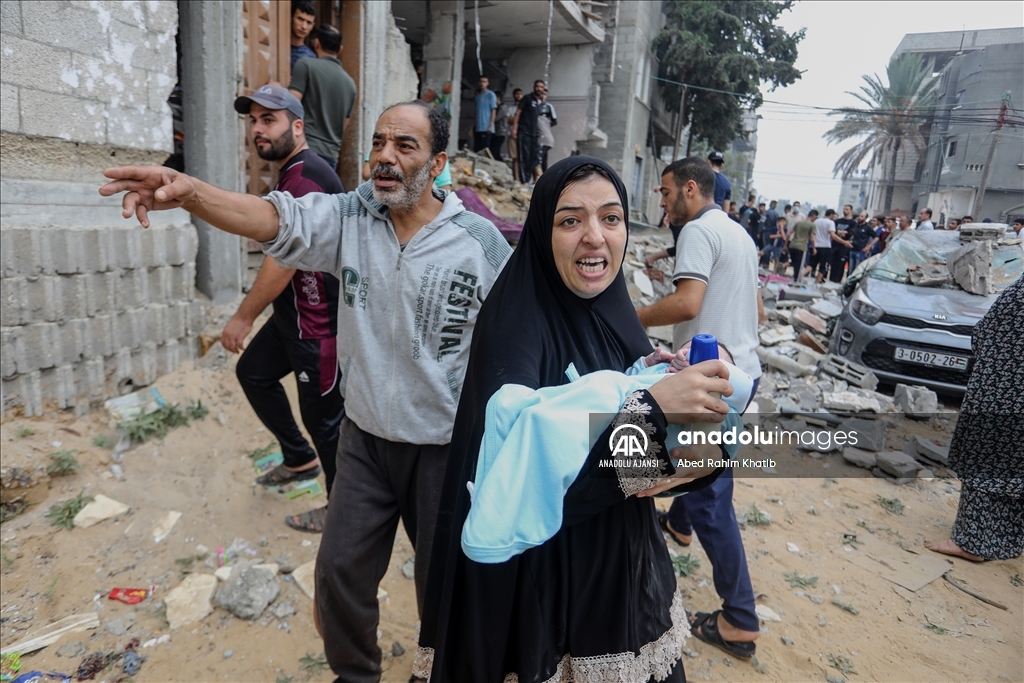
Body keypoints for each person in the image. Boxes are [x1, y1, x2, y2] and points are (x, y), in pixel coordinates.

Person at [99, 101, 511, 683]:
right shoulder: (350, 218)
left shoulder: (480, 243)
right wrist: (190, 191)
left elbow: (518, 339)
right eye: (378, 143)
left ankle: (437, 669)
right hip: (365, 439)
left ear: (438, 161)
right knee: (339, 573)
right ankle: (356, 676)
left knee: (444, 583)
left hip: (443, 447)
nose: (385, 157)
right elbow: (273, 219)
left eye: (405, 146)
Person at [416, 155, 738, 682]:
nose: (595, 237)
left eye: (611, 219)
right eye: (571, 221)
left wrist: (702, 445)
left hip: (625, 576)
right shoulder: (514, 330)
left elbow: (646, 468)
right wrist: (654, 411)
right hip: (551, 597)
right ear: (543, 231)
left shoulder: (612, 311)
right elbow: (532, 489)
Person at [636, 157, 763, 660]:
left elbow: (687, 305)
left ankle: (740, 619)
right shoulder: (738, 232)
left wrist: (627, 314)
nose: (662, 201)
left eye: (666, 192)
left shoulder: (696, 232)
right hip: (742, 371)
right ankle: (679, 526)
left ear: (691, 189)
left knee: (712, 497)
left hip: (713, 382)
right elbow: (754, 308)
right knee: (702, 476)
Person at [225, 85, 345, 532]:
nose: (257, 129)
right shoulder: (294, 171)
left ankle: (341, 511)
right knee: (253, 372)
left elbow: (283, 259)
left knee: (326, 423)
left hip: (319, 327)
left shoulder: (305, 175)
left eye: (268, 120)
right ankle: (298, 459)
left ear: (297, 126)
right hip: (292, 317)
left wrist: (242, 316)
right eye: (253, 120)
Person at [925, 276, 1023, 562]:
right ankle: (1006, 540)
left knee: (984, 459)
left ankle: (972, 543)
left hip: (1004, 389)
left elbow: (986, 334)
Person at [288, 24, 357, 171]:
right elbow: (344, 126)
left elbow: (290, 105)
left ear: (316, 43)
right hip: (331, 158)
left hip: (305, 150)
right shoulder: (350, 84)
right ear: (340, 50)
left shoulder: (305, 65)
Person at [512, 80, 545, 184]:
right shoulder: (527, 98)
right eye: (537, 86)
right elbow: (518, 113)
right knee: (523, 157)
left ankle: (528, 179)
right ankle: (523, 181)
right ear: (534, 87)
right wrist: (514, 128)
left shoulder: (539, 103)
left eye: (541, 87)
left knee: (532, 158)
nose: (539, 89)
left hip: (533, 134)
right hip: (524, 132)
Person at [830, 204, 856, 283]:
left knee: (840, 264)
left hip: (844, 246)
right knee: (832, 263)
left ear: (851, 211)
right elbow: (832, 232)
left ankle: (837, 280)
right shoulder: (837, 221)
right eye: (844, 209)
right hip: (834, 244)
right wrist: (840, 233)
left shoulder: (853, 222)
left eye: (847, 209)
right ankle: (831, 279)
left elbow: (850, 233)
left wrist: (838, 233)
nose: (845, 211)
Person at [810, 209, 836, 283]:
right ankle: (816, 282)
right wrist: (844, 242)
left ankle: (800, 276)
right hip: (825, 246)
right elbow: (833, 235)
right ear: (831, 215)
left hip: (816, 245)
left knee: (811, 265)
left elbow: (812, 235)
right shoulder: (831, 223)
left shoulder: (816, 221)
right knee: (823, 267)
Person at [788, 210, 816, 281]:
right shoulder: (812, 225)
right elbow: (812, 239)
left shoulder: (799, 223)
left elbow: (789, 234)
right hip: (801, 247)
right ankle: (796, 280)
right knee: (799, 265)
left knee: (794, 263)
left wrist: (785, 246)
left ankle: (794, 278)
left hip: (792, 245)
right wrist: (814, 248)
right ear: (813, 216)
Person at [472, 75, 497, 154]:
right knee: (477, 150)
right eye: (481, 81)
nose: (482, 83)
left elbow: (493, 110)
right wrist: (472, 127)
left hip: (486, 128)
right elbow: (476, 113)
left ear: (488, 83)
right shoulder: (478, 97)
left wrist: (490, 125)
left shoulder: (491, 95)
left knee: (485, 150)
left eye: (484, 82)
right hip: (478, 128)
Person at [535, 87, 557, 174]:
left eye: (545, 94)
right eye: (541, 94)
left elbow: (554, 121)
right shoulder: (535, 105)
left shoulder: (549, 106)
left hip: (544, 135)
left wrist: (544, 124)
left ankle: (542, 175)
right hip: (536, 134)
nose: (543, 96)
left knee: (542, 157)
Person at [289, 0, 316, 67]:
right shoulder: (277, 47)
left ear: (312, 26)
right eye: (300, 19)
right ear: (291, 18)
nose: (304, 26)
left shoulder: (311, 58)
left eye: (309, 23)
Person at [490, 91, 510, 160]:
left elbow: (496, 118)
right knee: (495, 151)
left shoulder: (503, 108)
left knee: (495, 151)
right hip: (497, 132)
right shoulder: (499, 107)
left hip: (500, 133)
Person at [507, 88, 522, 178]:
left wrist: (514, 119)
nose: (518, 96)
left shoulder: (525, 108)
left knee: (522, 158)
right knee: (515, 158)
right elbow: (508, 120)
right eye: (517, 94)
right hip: (512, 135)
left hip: (523, 135)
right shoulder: (511, 108)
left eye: (520, 94)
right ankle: (516, 178)